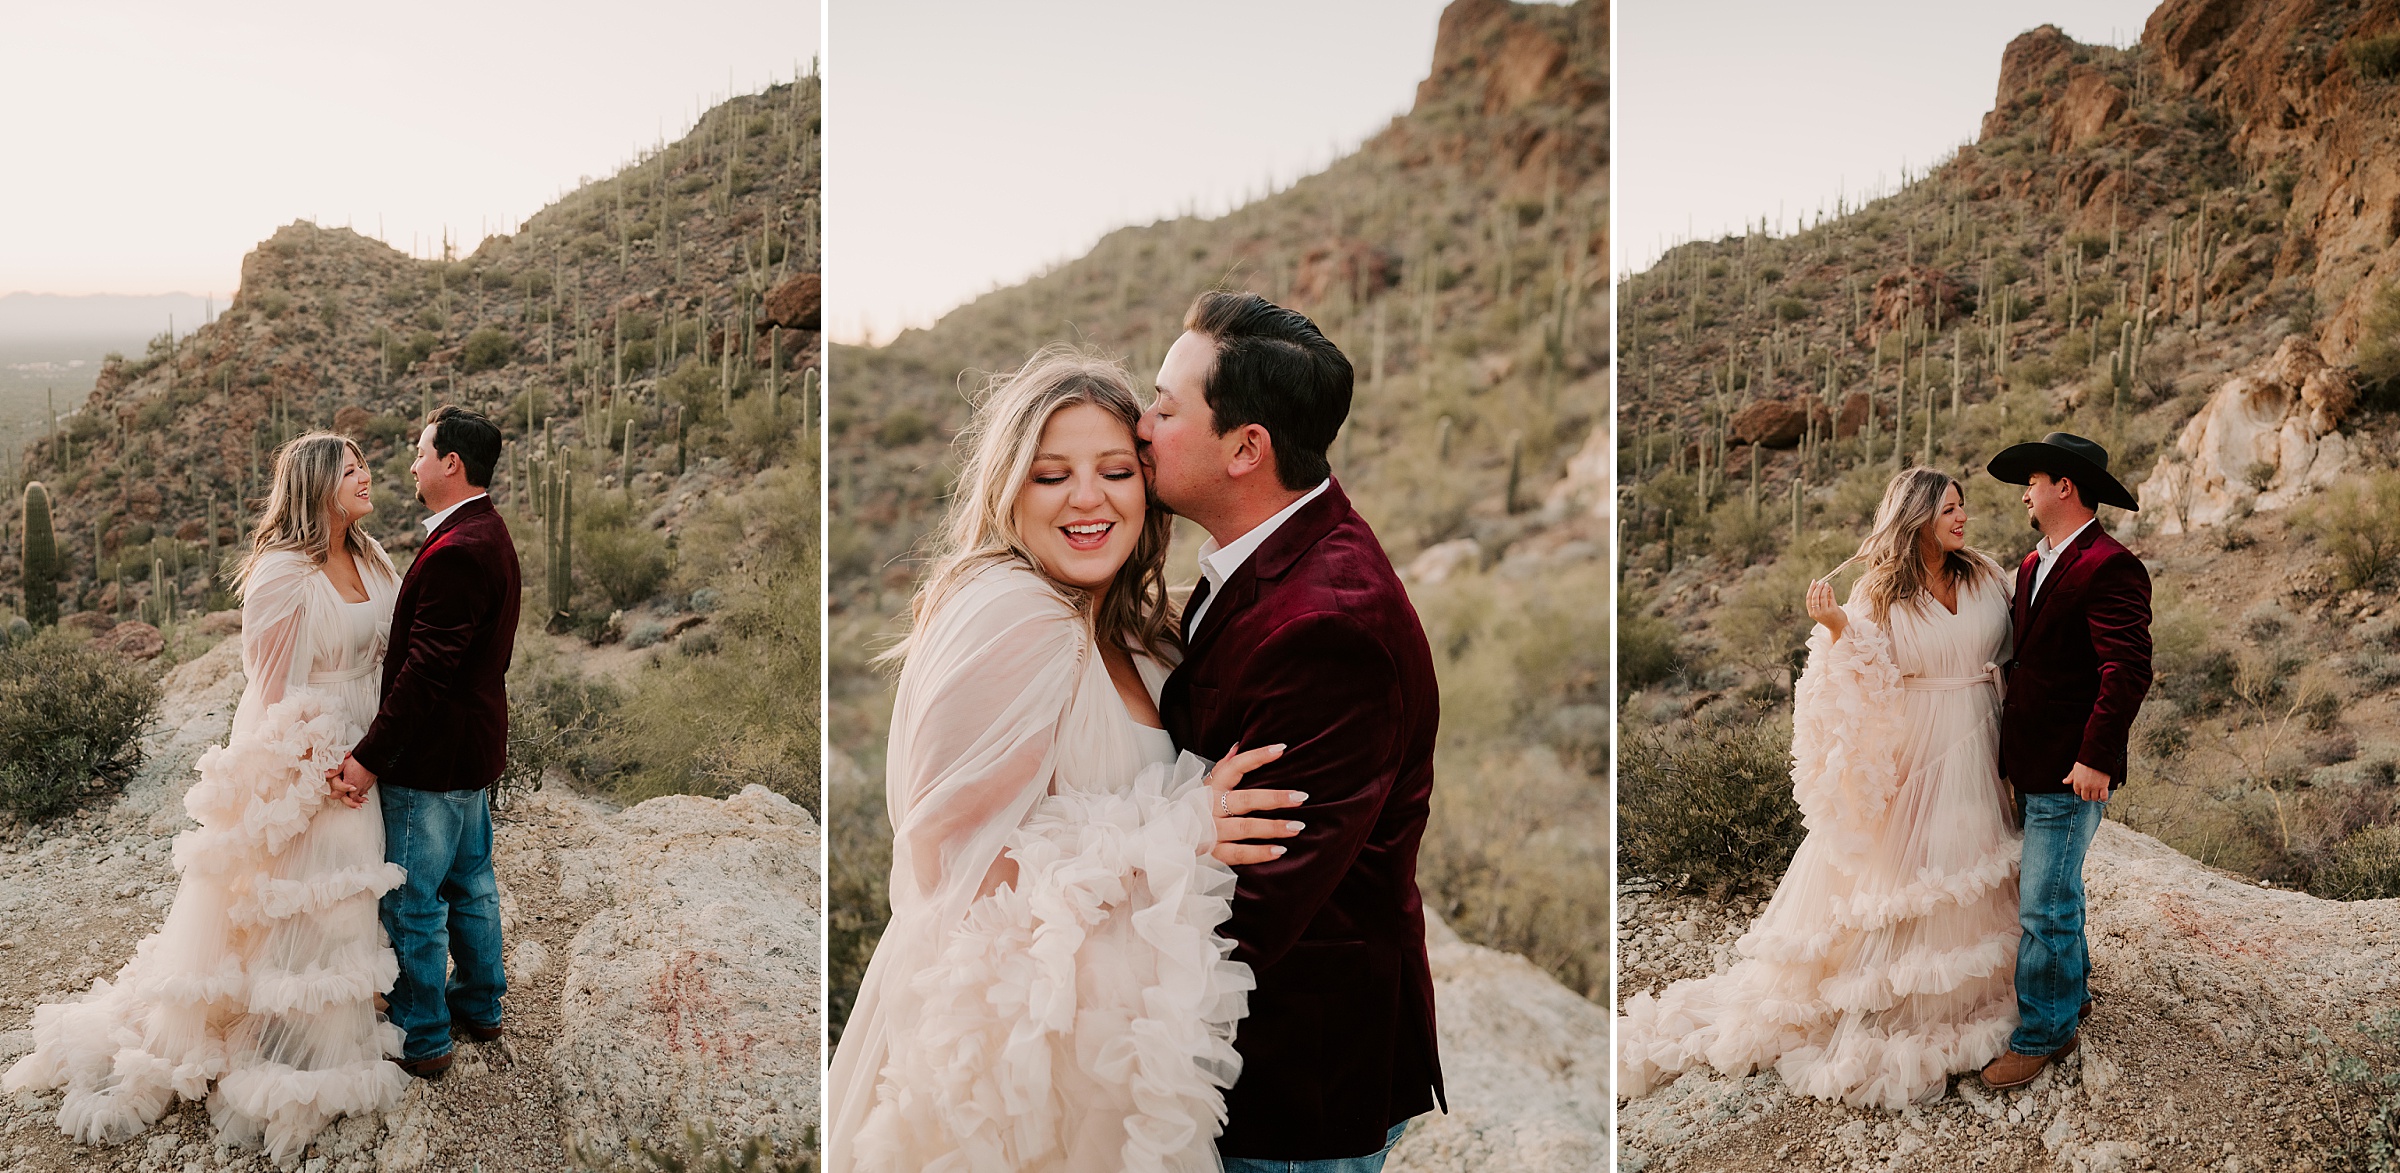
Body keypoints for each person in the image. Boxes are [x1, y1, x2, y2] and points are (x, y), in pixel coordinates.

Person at [826, 347, 1305, 1173]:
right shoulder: (1013, 613)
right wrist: (1180, 826)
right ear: (1010, 487)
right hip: (1012, 1065)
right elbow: (962, 881)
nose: (1088, 498)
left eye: (1115, 469)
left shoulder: (1129, 626)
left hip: (1106, 1049)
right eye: (1052, 475)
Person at [5, 433, 411, 1161]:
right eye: (351, 469)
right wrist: (320, 763)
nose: (367, 475)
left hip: (367, 742)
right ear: (317, 485)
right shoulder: (282, 574)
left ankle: (327, 1022)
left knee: (350, 893)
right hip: (309, 753)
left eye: (364, 465)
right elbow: (271, 688)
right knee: (308, 890)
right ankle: (291, 1042)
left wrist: (379, 745)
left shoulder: (373, 555)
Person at [1142, 291, 1445, 1171]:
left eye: (1165, 405)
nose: (1142, 421)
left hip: (1289, 1092)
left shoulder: (1330, 627)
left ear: (1246, 448)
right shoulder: (1274, 545)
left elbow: (1250, 908)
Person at [1617, 466, 2022, 1109]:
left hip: (1983, 728)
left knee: (1974, 857)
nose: (1961, 517)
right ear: (1916, 515)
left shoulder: (1986, 574)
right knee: (1914, 866)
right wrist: (1835, 625)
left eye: (1962, 506)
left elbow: (2016, 644)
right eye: (1949, 508)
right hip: (1917, 740)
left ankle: (1984, 988)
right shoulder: (1877, 591)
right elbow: (1861, 664)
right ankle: (1903, 1004)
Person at [332, 405, 521, 1081]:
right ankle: (482, 1003)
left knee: (414, 899)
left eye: (420, 452)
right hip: (471, 751)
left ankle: (424, 1033)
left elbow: (426, 671)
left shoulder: (459, 551)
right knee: (471, 882)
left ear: (451, 464)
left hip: (433, 758)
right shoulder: (487, 532)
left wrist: (369, 756)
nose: (411, 465)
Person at [1979, 432, 2152, 1089]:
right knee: (2057, 893)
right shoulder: (2032, 564)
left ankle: (2043, 1033)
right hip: (2030, 758)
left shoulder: (2111, 564)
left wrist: (2096, 756)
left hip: (2075, 768)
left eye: (2034, 479)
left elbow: (2127, 669)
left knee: (2042, 904)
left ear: (2065, 488)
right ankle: (2070, 998)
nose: (2024, 491)